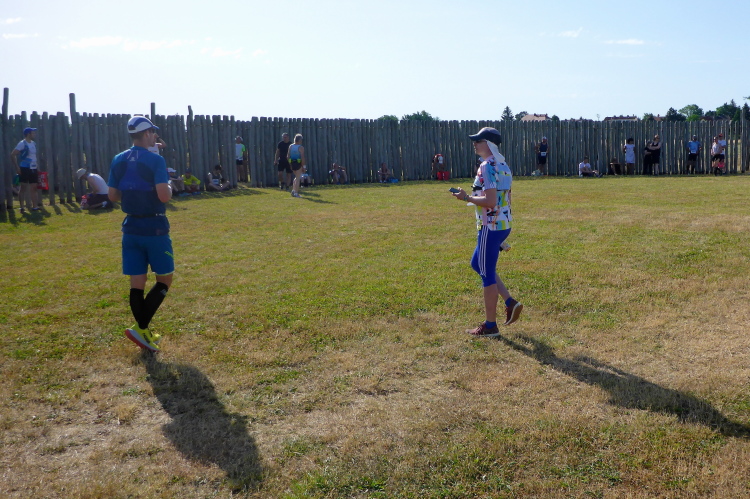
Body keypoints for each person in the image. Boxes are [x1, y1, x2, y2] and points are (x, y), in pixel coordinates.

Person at [107, 116, 173, 352]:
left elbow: (113, 195)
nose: (155, 136)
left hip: (130, 227)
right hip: (155, 228)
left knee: (137, 282)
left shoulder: (118, 159)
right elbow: (164, 196)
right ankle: (140, 327)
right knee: (164, 279)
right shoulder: (156, 160)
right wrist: (169, 186)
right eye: (153, 132)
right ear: (146, 134)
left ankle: (143, 331)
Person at [451, 127, 522, 337]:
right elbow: (504, 198)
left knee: (486, 272)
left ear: (489, 144)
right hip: (502, 225)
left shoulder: (486, 166)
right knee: (478, 264)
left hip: (490, 226)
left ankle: (490, 326)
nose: (474, 144)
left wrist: (466, 197)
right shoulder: (503, 165)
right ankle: (510, 302)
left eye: (478, 140)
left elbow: (490, 201)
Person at [11, 127, 41, 213]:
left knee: (34, 187)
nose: (34, 134)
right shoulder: (22, 143)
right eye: (33, 133)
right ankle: (22, 207)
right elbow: (13, 154)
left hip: (33, 167)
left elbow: (33, 156)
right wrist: (17, 167)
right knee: (23, 187)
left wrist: (37, 167)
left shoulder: (33, 143)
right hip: (24, 168)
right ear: (28, 134)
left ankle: (35, 207)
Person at [287, 134, 306, 198]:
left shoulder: (291, 146)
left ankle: (293, 190)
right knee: (298, 178)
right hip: (298, 163)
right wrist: (304, 166)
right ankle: (296, 192)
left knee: (296, 177)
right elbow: (302, 157)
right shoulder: (301, 147)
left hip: (292, 163)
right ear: (300, 140)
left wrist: (290, 163)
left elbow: (288, 156)